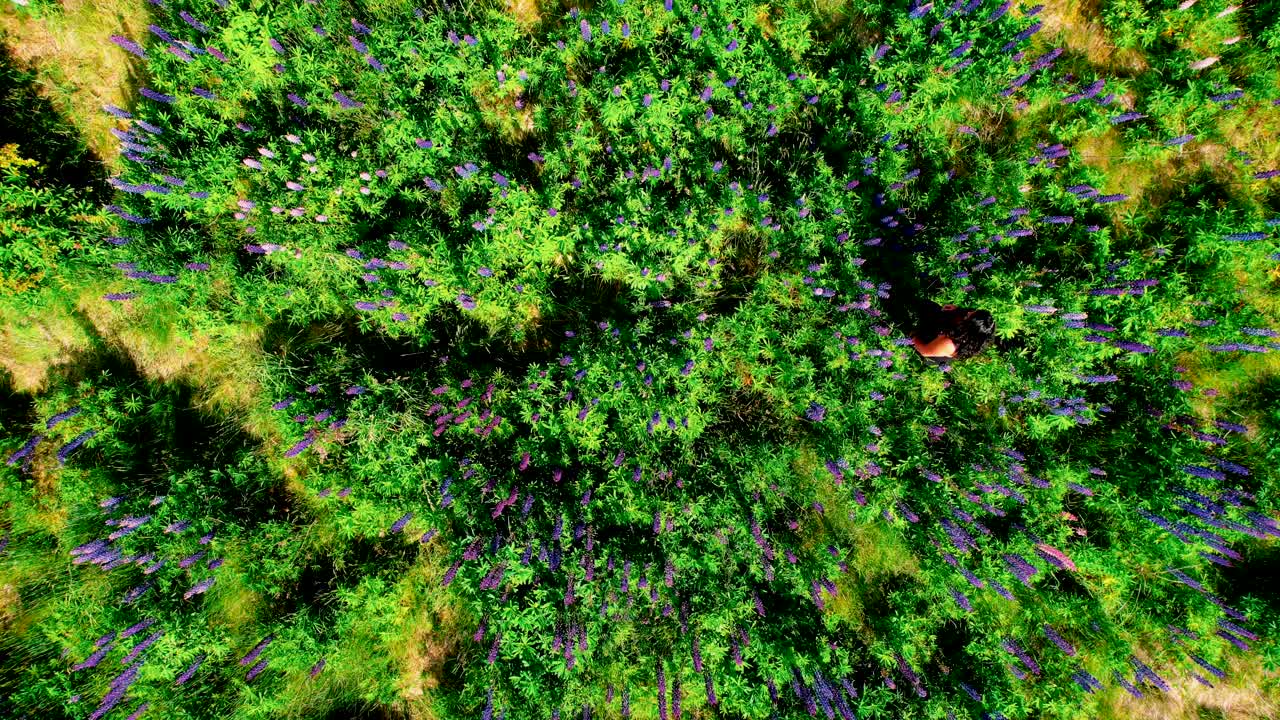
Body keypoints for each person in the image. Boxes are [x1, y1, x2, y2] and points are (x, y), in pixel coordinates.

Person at [910, 300, 995, 364]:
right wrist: (957, 309)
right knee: (927, 305)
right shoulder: (970, 328)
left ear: (969, 326)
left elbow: (924, 351)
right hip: (944, 331)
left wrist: (913, 336)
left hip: (932, 351)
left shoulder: (950, 345)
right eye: (973, 312)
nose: (969, 312)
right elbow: (964, 314)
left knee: (920, 334)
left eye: (970, 315)